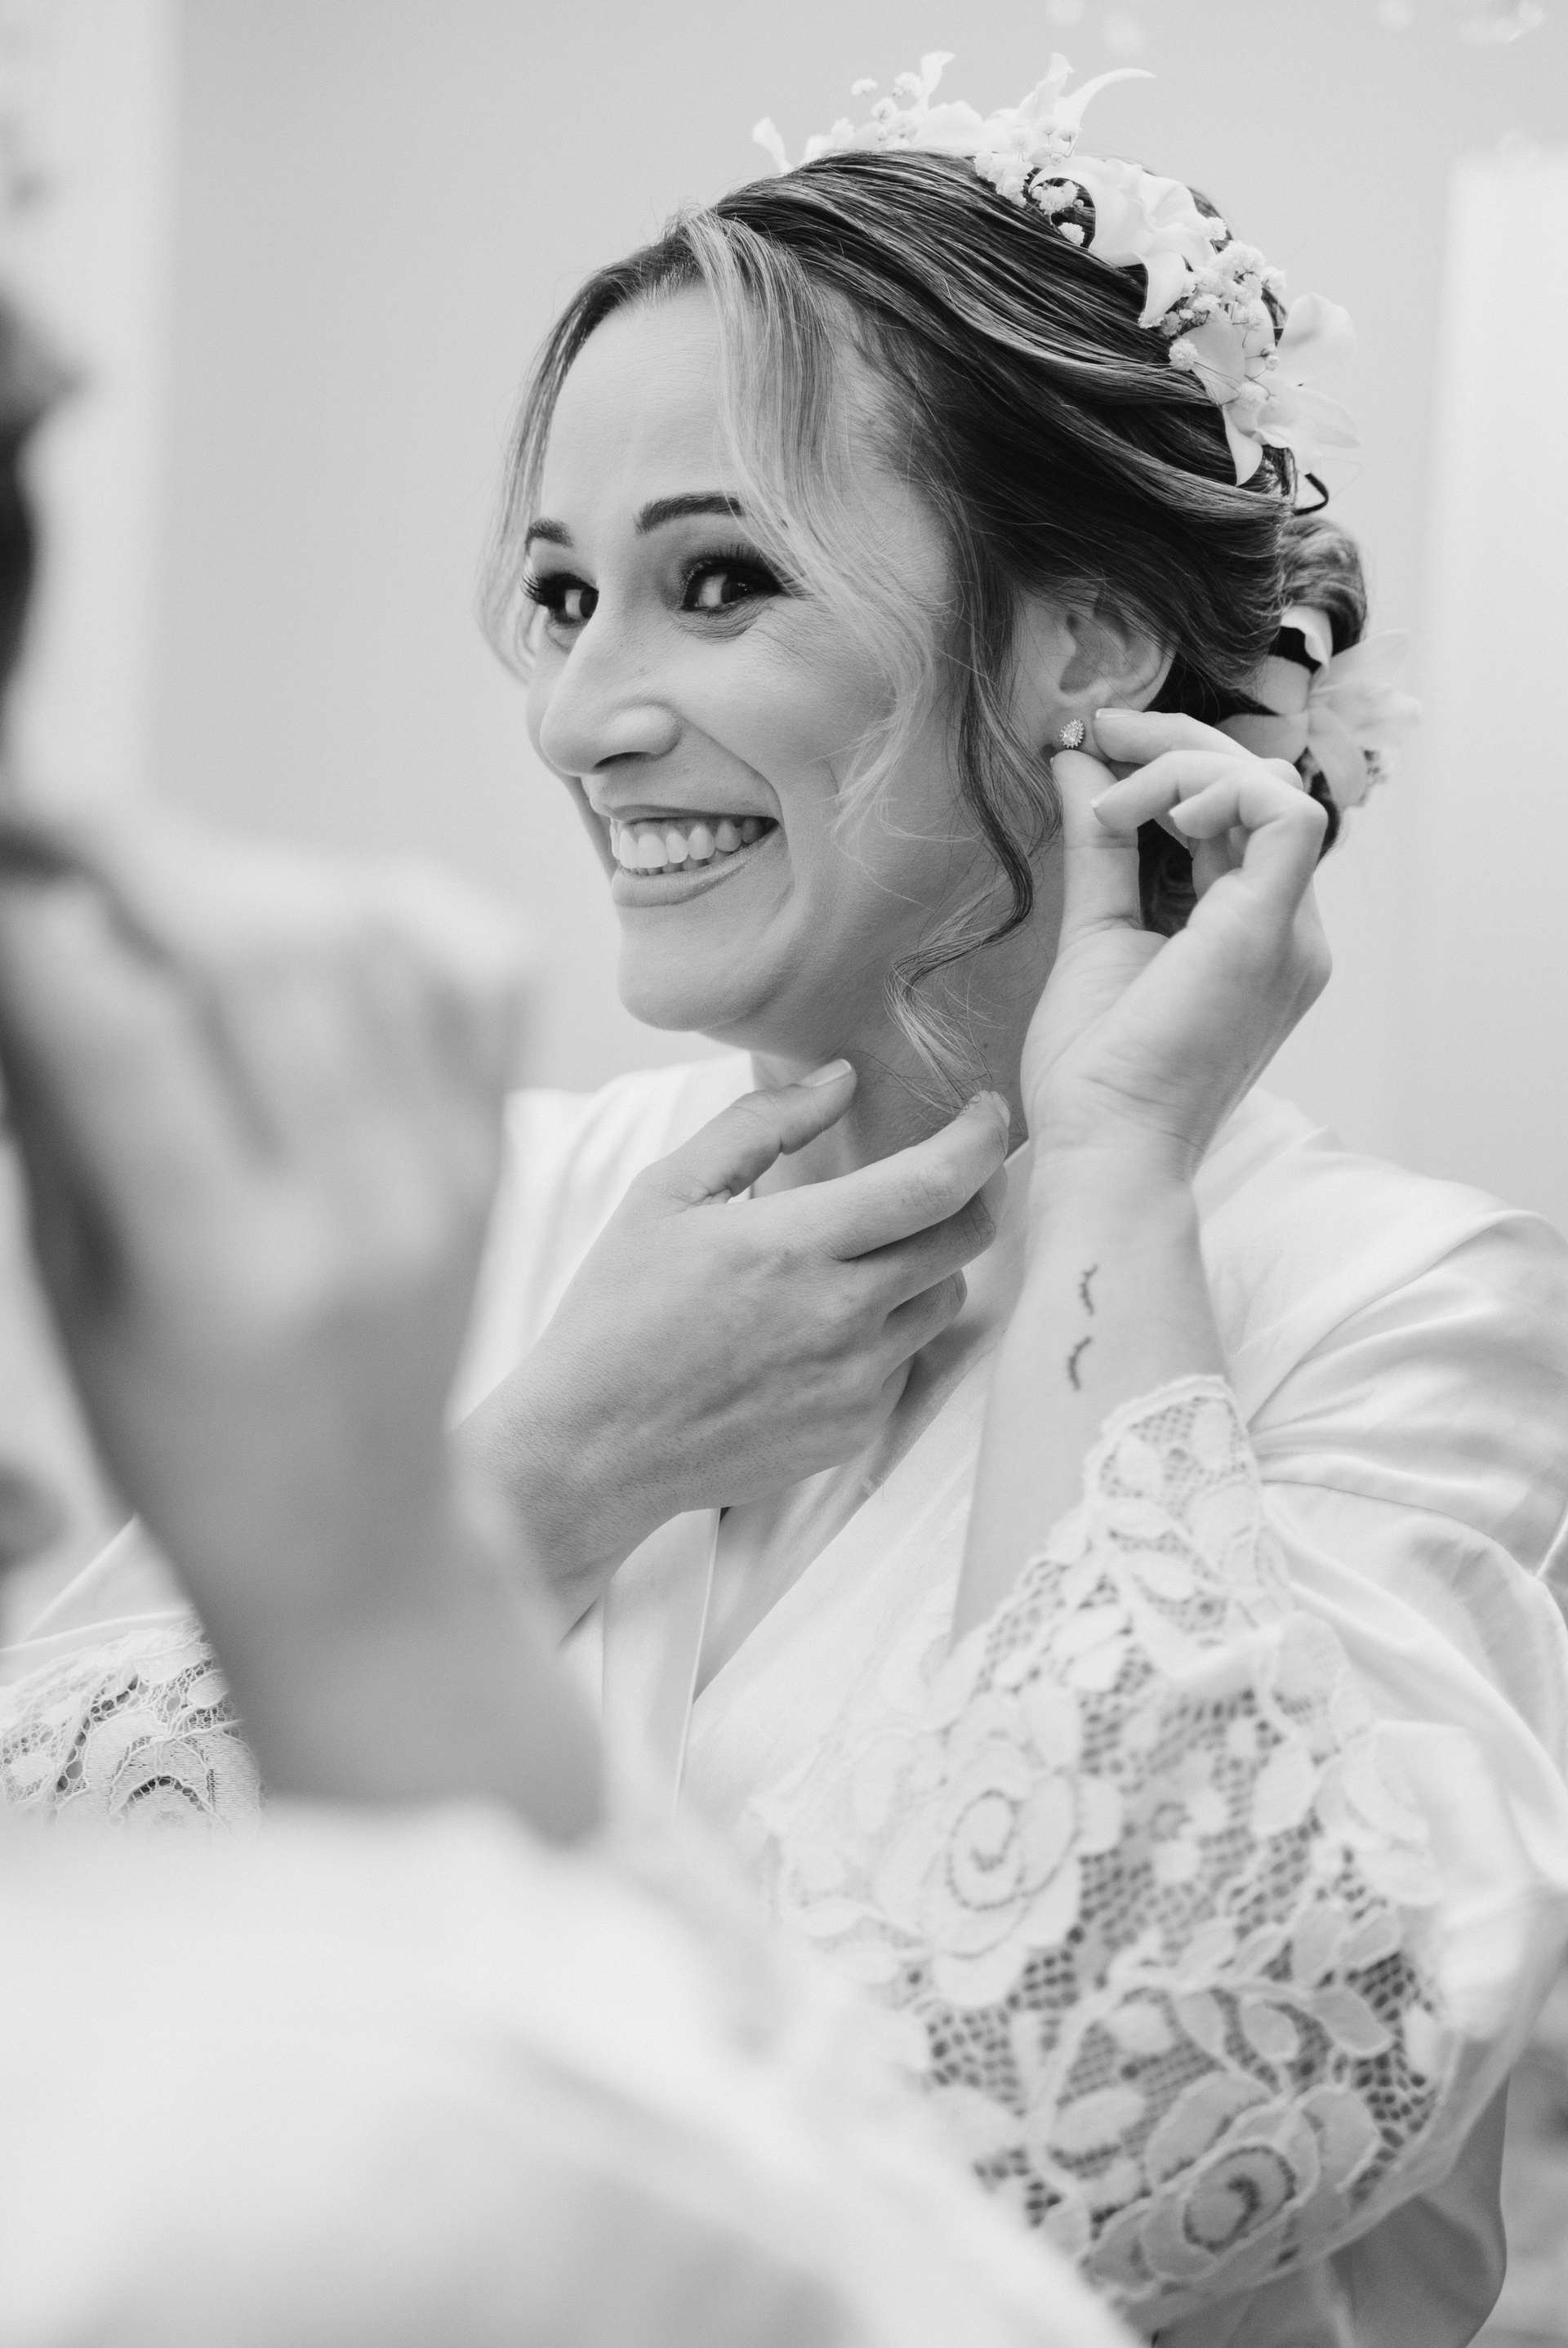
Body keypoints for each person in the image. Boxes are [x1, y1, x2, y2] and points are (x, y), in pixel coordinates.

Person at [7, 48, 1568, 2348]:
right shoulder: (487, 1212)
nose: (579, 715)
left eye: (715, 581)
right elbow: (54, 1968)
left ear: (1087, 642)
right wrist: (555, 1468)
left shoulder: (1402, 1307)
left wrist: (1113, 1165)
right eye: (561, 597)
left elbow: (1092, 2128)